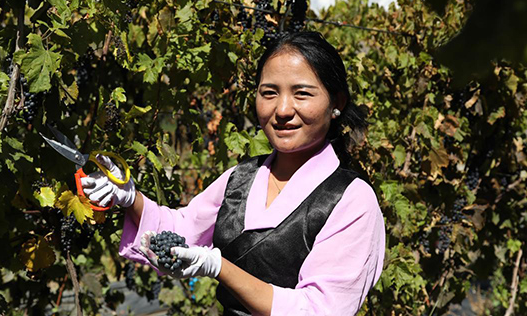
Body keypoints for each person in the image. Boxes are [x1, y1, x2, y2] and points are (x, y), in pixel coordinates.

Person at [81, 32, 386, 315]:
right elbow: (183, 229)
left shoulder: (351, 199)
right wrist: (130, 198)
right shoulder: (241, 178)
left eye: (302, 94)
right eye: (269, 92)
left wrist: (219, 267)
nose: (282, 109)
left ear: (337, 103)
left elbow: (319, 309)